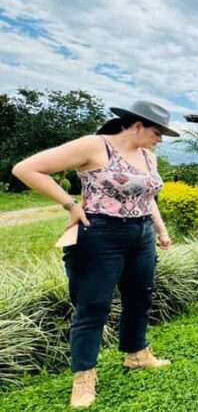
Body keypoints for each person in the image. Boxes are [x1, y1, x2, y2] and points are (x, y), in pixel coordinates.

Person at [12, 100, 178, 408]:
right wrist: (71, 205)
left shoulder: (149, 157)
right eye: (158, 132)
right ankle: (84, 378)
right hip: (100, 233)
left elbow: (149, 197)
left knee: (140, 296)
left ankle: (137, 354)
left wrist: (161, 231)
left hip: (140, 233)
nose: (161, 139)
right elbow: (26, 168)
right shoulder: (94, 146)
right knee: (93, 305)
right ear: (137, 125)